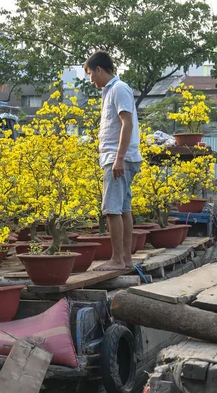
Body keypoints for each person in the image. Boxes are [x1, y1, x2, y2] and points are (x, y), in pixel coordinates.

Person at [84, 51, 143, 271]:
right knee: (123, 208)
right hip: (119, 157)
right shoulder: (111, 91)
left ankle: (117, 259)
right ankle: (125, 259)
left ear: (99, 69)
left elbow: (127, 123)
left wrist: (118, 159)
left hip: (118, 158)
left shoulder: (118, 89)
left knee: (111, 209)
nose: (91, 80)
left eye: (91, 74)